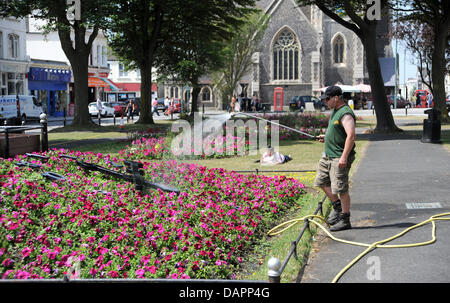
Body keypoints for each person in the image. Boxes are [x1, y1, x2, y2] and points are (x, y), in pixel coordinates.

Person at [315, 86, 356, 231]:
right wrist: (325, 137)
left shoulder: (345, 114)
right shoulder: (335, 111)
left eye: (327, 99)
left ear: (336, 98)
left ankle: (345, 220)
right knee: (321, 181)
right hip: (328, 155)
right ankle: (338, 208)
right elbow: (337, 132)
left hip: (338, 157)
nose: (325, 102)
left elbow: (351, 136)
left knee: (341, 188)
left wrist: (344, 157)